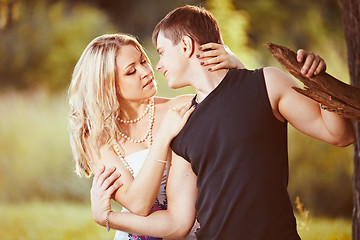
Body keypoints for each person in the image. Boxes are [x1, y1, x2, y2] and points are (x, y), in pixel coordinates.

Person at [90, 5, 355, 240]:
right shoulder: (183, 122)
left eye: (160, 53)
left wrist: (319, 81)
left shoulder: (266, 83)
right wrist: (107, 217)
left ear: (185, 46)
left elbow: (340, 136)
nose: (156, 66)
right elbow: (177, 223)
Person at [68, 33, 246, 240]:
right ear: (108, 86)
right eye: (131, 71)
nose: (145, 71)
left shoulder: (182, 107)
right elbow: (138, 204)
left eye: (143, 61)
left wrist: (237, 65)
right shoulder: (98, 137)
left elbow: (244, 109)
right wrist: (164, 138)